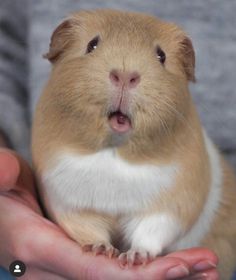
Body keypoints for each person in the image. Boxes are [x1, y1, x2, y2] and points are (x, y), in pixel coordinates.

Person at [0, 0, 235, 279]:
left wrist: (147, 243)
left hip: (207, 252)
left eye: (160, 57)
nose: (125, 74)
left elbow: (182, 202)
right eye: (93, 46)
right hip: (29, 240)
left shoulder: (188, 148)